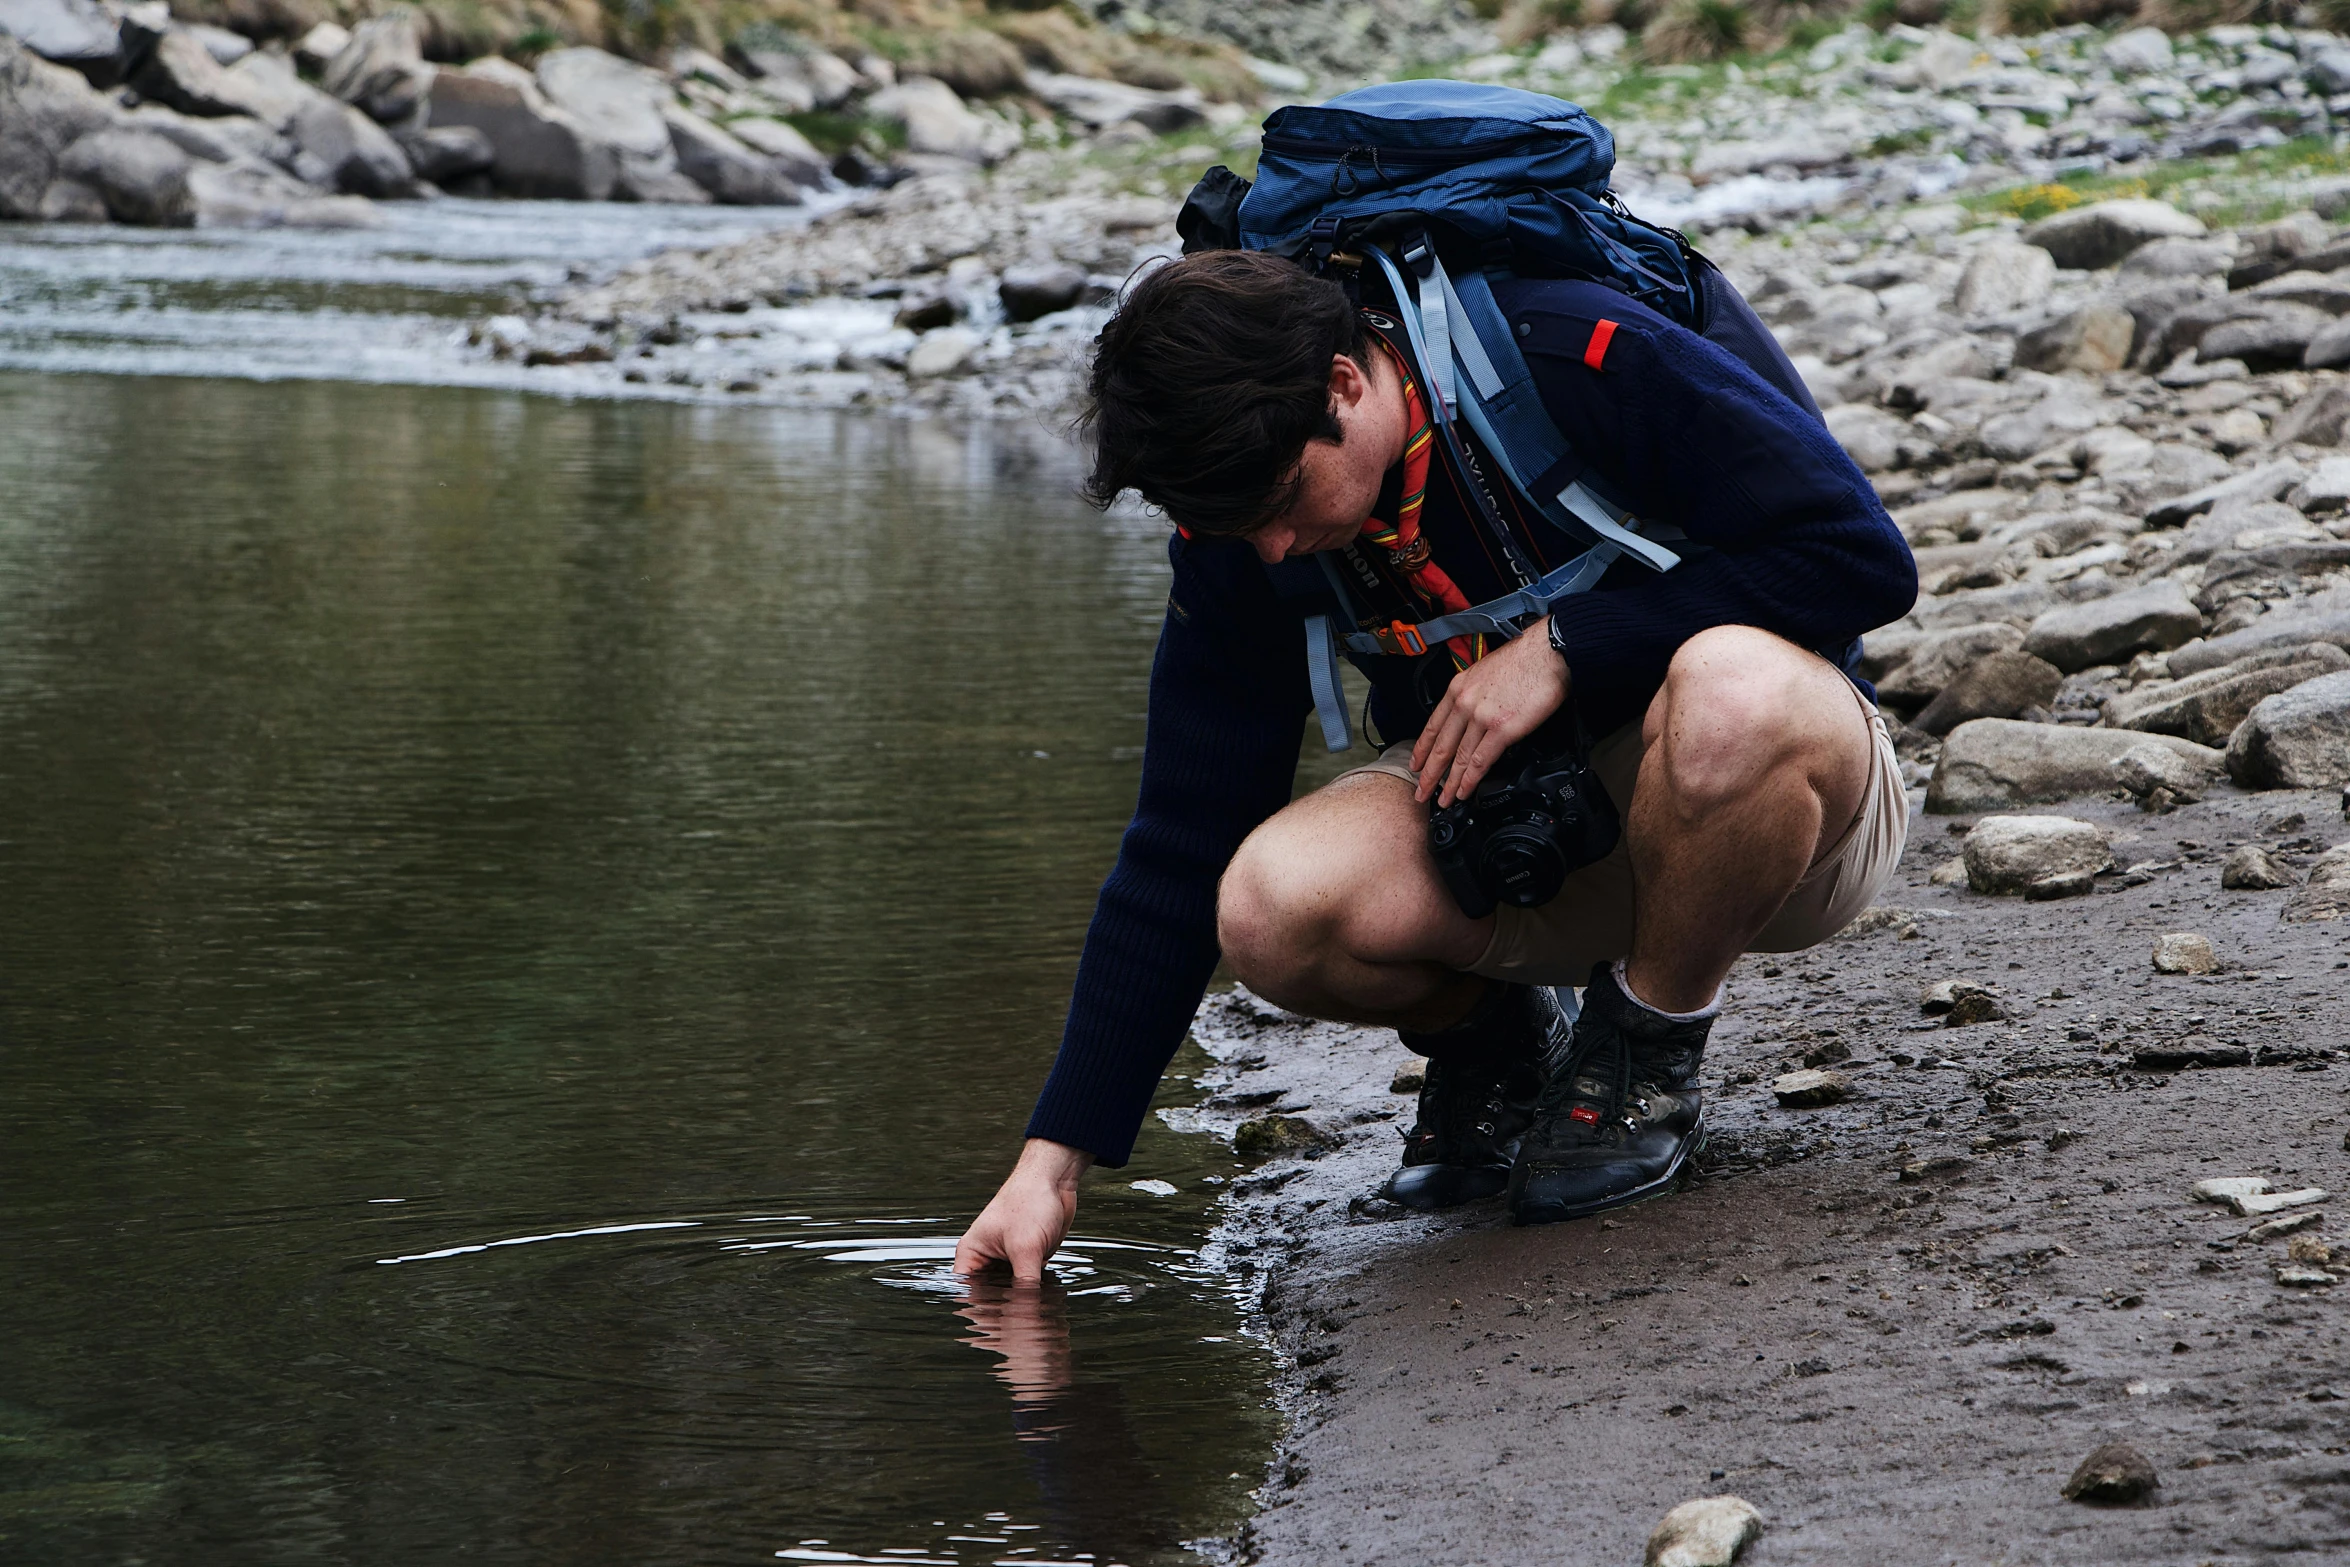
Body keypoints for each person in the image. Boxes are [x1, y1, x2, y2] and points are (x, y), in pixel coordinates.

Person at [953, 247, 1916, 1281]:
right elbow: (1183, 833)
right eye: (1237, 526)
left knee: (1735, 688)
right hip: (1523, 829)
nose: (1273, 550)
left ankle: (1644, 1055)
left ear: (1342, 382)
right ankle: (1506, 1047)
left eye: (1281, 501)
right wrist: (1053, 1161)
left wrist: (1564, 646)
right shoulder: (1240, 522)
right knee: (1269, 906)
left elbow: (1860, 556)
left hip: (1784, 814)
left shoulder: (1577, 352)